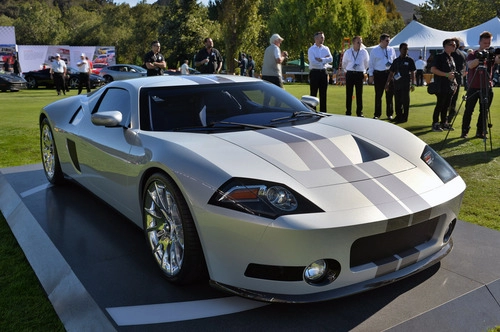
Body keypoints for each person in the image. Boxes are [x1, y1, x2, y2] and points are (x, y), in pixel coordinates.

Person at [461, 31, 500, 138]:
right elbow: (470, 65)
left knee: (484, 111)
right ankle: (464, 131)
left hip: (486, 86)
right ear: (479, 42)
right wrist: (480, 57)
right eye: (484, 43)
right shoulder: (473, 54)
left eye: (489, 43)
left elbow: (498, 61)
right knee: (469, 110)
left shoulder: (491, 54)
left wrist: (495, 54)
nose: (487, 45)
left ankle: (481, 131)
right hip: (473, 86)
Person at [430, 39, 459, 132]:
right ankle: (435, 123)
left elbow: (453, 73)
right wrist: (446, 74)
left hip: (450, 86)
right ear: (446, 46)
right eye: (452, 45)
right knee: (440, 104)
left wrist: (455, 83)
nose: (454, 47)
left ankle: (444, 123)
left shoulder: (452, 58)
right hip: (441, 85)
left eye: (455, 45)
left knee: (447, 105)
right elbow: (433, 70)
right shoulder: (439, 57)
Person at [385, 43, 416, 123]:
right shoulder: (396, 61)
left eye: (407, 49)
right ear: (400, 50)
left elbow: (413, 72)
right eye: (404, 49)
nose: (406, 51)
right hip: (397, 84)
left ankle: (404, 117)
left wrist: (413, 83)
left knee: (405, 101)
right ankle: (398, 116)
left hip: (406, 84)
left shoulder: (410, 60)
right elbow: (391, 73)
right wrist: (387, 83)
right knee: (397, 101)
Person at [368, 33, 396, 119]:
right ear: (381, 41)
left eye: (389, 40)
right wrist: (371, 75)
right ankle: (377, 114)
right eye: (387, 41)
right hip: (379, 74)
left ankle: (389, 114)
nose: (388, 42)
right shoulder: (374, 50)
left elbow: (394, 62)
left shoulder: (391, 50)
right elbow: (371, 64)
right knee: (378, 95)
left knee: (390, 95)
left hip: (389, 74)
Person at [342, 35, 369, 117]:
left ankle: (359, 112)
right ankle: (348, 112)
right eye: (358, 42)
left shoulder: (364, 52)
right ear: (353, 43)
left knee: (359, 94)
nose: (360, 43)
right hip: (350, 73)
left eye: (361, 42)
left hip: (359, 74)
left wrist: (363, 71)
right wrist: (347, 70)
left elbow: (367, 63)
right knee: (349, 94)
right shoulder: (348, 52)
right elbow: (344, 64)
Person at [308, 31, 333, 112]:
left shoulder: (326, 48)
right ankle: (312, 111)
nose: (323, 39)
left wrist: (321, 59)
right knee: (313, 93)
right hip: (314, 72)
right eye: (321, 37)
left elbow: (331, 59)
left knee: (323, 94)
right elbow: (313, 62)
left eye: (323, 37)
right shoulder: (311, 49)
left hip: (323, 72)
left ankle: (323, 112)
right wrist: (325, 60)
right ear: (316, 39)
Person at [447, 37, 467, 128]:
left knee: (448, 100)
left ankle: (446, 119)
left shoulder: (452, 55)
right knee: (453, 100)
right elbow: (463, 68)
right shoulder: (463, 54)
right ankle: (449, 118)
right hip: (458, 79)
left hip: (451, 79)